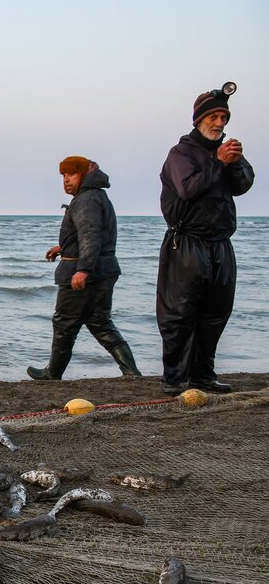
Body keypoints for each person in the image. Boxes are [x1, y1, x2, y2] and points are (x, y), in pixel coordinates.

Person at [156, 84, 255, 395]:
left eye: (223, 117)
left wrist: (235, 162)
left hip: (221, 243)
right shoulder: (180, 153)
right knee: (180, 312)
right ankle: (174, 378)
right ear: (198, 119)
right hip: (186, 243)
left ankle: (202, 375)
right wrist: (220, 163)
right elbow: (187, 188)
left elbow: (243, 185)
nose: (219, 123)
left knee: (216, 311)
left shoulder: (225, 152)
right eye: (213, 116)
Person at [28, 157, 141, 381]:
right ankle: (131, 372)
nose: (66, 180)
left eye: (71, 174)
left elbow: (91, 235)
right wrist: (64, 247)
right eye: (63, 176)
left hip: (86, 273)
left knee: (64, 323)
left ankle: (53, 373)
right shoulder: (95, 196)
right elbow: (93, 234)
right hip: (104, 270)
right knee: (100, 322)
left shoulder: (87, 199)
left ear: (83, 174)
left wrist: (83, 270)